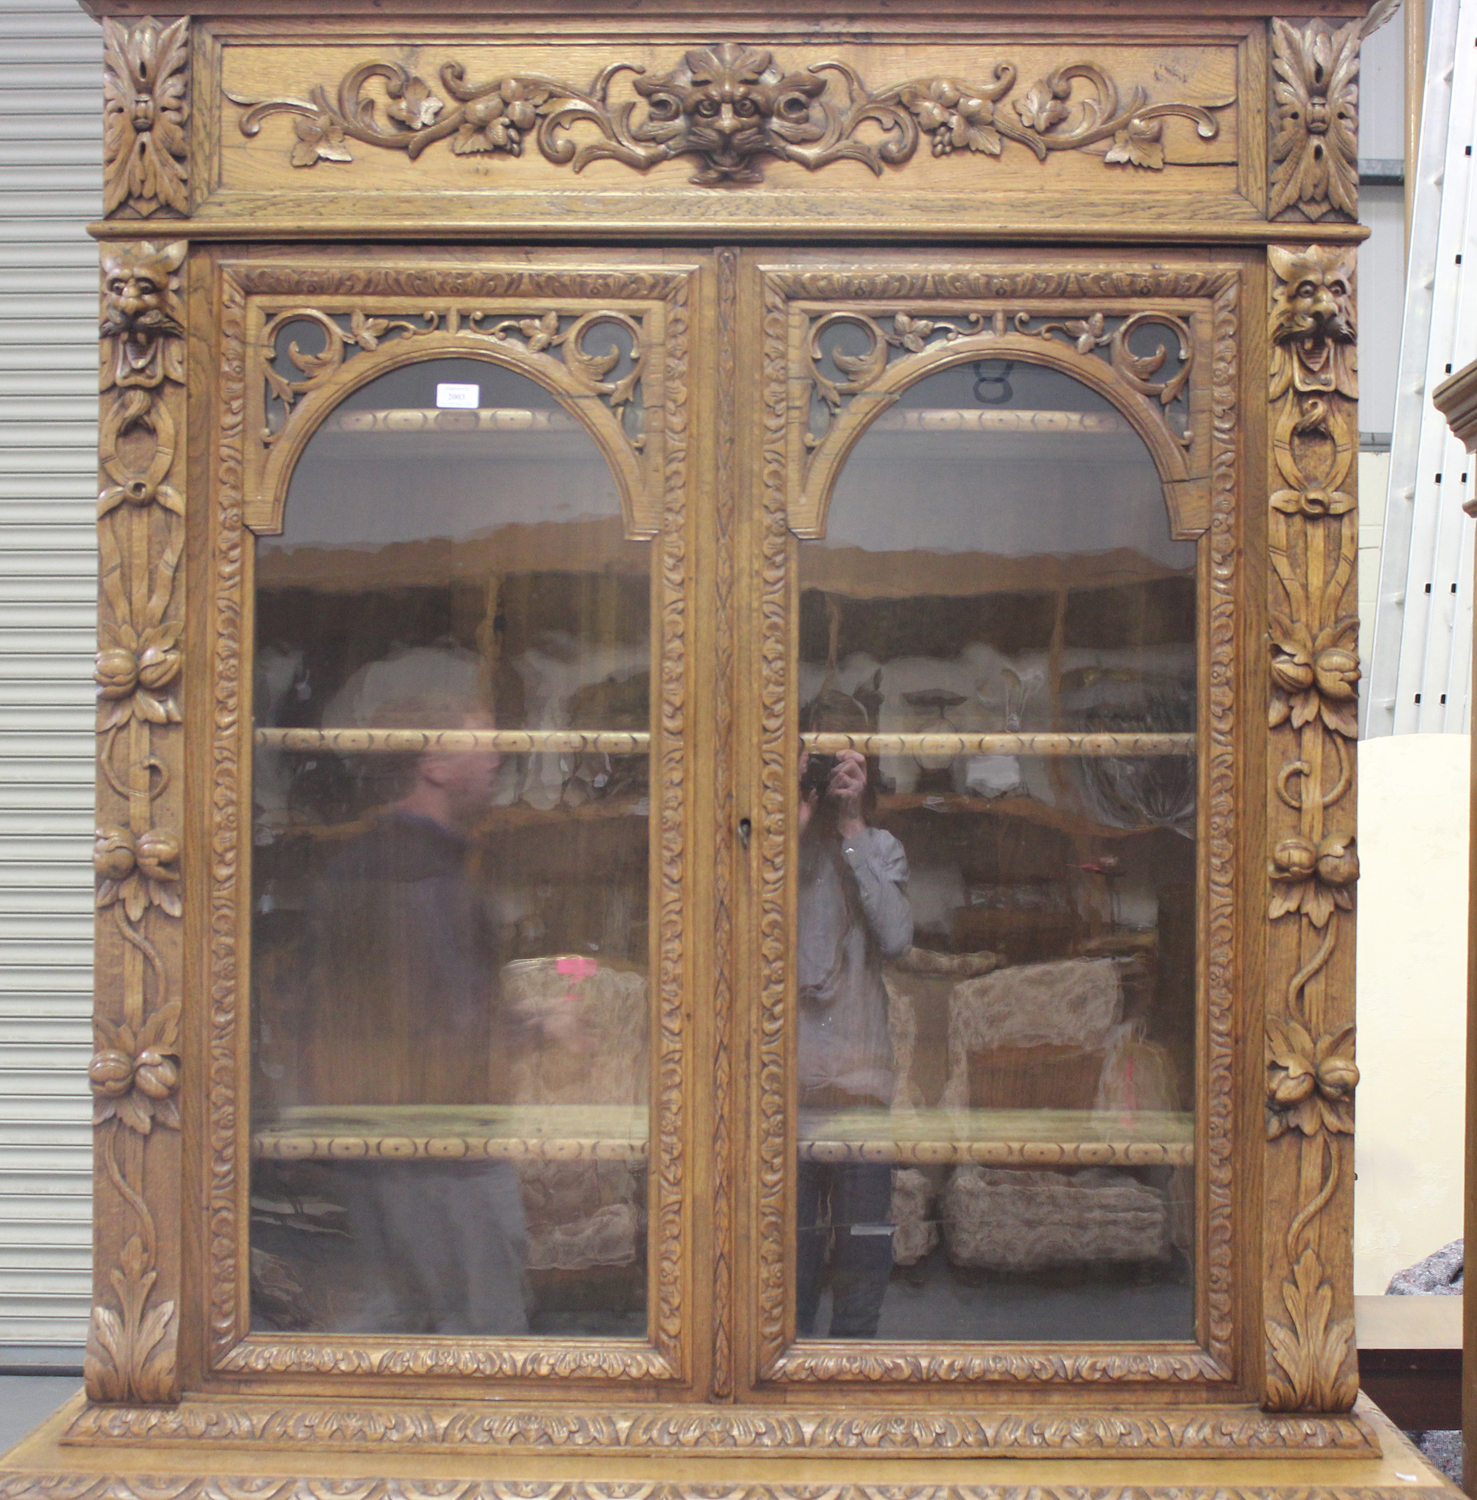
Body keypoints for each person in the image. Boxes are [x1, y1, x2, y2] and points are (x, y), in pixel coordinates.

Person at [301, 694, 565, 1335]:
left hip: (388, 1150)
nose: (500, 753)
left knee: (403, 1332)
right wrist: (536, 1028)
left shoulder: (386, 861)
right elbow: (441, 1032)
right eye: (483, 737)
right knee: (487, 1346)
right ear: (435, 761)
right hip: (443, 1157)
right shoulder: (416, 877)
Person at [795, 724, 913, 1339]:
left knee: (864, 1252)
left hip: (861, 1090)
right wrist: (790, 819)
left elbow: (895, 938)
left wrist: (851, 827)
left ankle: (850, 1376)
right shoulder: (776, 850)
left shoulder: (879, 846)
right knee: (788, 1259)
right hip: (790, 1091)